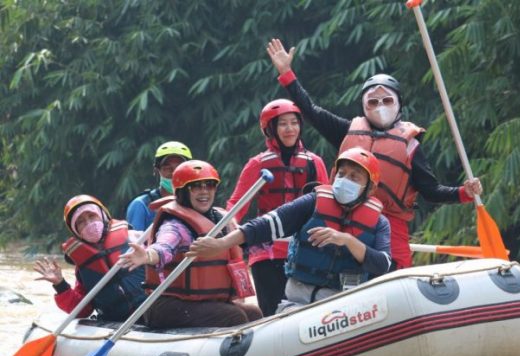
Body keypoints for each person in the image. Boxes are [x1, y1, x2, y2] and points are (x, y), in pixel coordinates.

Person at [266, 38, 483, 269]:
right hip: (347, 218)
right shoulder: (347, 130)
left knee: (395, 271)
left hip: (391, 223)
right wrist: (287, 74)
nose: (380, 106)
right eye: (373, 101)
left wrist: (463, 192)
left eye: (387, 100)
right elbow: (310, 111)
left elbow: (431, 191)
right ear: (363, 106)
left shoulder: (410, 145)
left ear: (399, 103)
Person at [187, 148, 391, 309]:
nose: (345, 180)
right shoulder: (313, 202)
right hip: (299, 301)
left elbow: (382, 264)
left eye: (355, 177)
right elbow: (265, 225)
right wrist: (221, 243)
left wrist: (347, 240)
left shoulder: (379, 223)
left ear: (370, 188)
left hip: (345, 305)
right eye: (342, 174)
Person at [117, 160, 263, 328]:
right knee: (234, 316)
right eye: (196, 187)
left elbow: (245, 240)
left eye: (209, 185)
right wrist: (148, 255)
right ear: (183, 192)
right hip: (166, 305)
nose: (204, 192)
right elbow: (164, 247)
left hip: (202, 302)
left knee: (254, 313)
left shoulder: (221, 219)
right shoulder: (175, 224)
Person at [226, 99, 329, 315]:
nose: (290, 129)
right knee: (272, 312)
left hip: (304, 249)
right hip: (267, 252)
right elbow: (236, 205)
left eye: (294, 122)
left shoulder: (314, 162)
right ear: (270, 129)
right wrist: (231, 231)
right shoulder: (258, 164)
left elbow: (327, 205)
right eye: (282, 124)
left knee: (306, 311)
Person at [33, 195, 147, 321]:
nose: (89, 223)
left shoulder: (136, 238)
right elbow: (82, 310)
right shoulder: (83, 267)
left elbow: (163, 260)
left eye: (92, 216)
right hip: (114, 321)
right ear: (76, 231)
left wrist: (149, 256)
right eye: (80, 222)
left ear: (103, 216)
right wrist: (60, 285)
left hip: (151, 311)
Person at [125, 141, 193, 231]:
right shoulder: (142, 205)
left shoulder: (196, 203)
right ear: (157, 171)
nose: (175, 173)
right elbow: (133, 241)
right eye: (168, 168)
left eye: (180, 168)